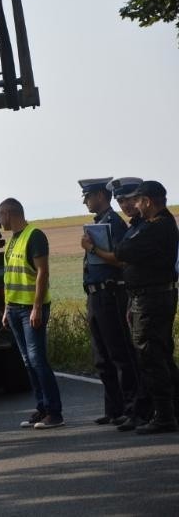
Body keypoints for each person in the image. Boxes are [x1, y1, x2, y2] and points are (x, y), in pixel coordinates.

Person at [82, 177, 154, 431]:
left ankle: (130, 406)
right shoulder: (102, 222)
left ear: (101, 196)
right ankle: (114, 409)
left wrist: (92, 250)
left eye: (89, 196)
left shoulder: (112, 223)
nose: (87, 201)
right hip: (97, 294)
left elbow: (121, 260)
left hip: (111, 293)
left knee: (119, 354)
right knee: (102, 355)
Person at [114, 181, 179, 434]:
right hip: (150, 297)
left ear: (148, 201)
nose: (135, 205)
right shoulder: (157, 225)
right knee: (160, 355)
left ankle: (164, 416)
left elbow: (124, 249)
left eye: (138, 200)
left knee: (150, 356)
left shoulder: (157, 226)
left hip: (151, 299)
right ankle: (171, 409)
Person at [0, 198, 64, 429]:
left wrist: (37, 307)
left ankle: (54, 412)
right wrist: (6, 308)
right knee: (28, 361)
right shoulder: (13, 240)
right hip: (15, 308)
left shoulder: (34, 235)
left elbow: (42, 273)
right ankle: (42, 407)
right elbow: (10, 277)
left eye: (0, 216)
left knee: (38, 360)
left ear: (9, 213)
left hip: (30, 309)